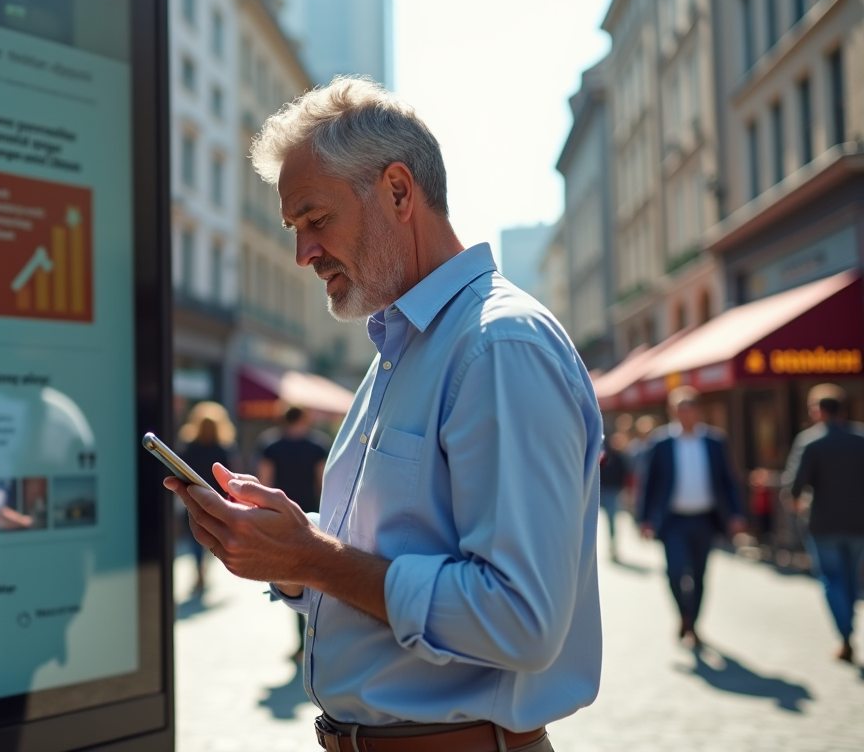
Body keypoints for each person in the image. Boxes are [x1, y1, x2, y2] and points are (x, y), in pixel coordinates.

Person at [165, 77, 601, 752]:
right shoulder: (402, 348)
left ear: (399, 192)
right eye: (294, 229)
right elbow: (382, 564)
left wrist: (315, 557)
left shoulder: (496, 345)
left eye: (316, 220)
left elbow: (521, 619)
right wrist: (286, 551)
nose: (303, 253)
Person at [637, 387, 746, 648]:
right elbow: (648, 483)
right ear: (672, 412)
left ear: (698, 411)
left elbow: (728, 480)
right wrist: (644, 519)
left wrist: (736, 513)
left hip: (705, 518)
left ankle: (692, 624)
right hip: (673, 520)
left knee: (699, 574)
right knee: (675, 572)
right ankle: (684, 615)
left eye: (690, 408)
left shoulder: (714, 441)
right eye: (680, 409)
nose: (686, 414)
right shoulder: (660, 442)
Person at [782, 383, 864, 663]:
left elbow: (794, 486)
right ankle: (847, 632)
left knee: (831, 578)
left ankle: (845, 633)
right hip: (857, 523)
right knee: (851, 579)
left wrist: (796, 506)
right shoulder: (860, 439)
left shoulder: (810, 441)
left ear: (818, 411)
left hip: (823, 523)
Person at [256, 406, 331, 659]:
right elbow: (323, 482)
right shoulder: (317, 444)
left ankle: (303, 642)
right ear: (304, 418)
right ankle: (316, 640)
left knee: (292, 576)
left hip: (281, 518)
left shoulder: (271, 444)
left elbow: (264, 482)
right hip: (310, 515)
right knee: (316, 576)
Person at [175, 402, 238, 596]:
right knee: (212, 534)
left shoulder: (188, 447)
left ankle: (199, 569)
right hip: (216, 500)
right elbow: (231, 477)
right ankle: (204, 568)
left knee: (194, 536)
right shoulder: (224, 448)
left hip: (191, 497)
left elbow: (178, 471)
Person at [599, 431, 630, 562]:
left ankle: (613, 547)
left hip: (613, 492)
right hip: (602, 491)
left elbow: (624, 474)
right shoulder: (603, 456)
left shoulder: (619, 456)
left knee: (612, 520)